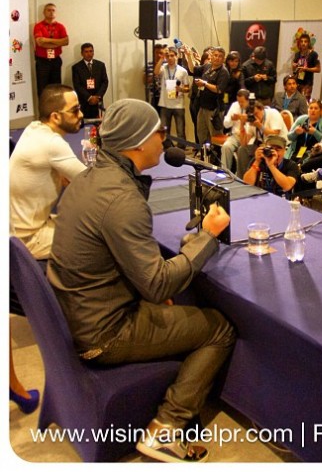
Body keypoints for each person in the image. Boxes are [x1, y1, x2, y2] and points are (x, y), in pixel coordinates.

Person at [47, 98, 235, 463]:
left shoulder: (89, 179)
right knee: (219, 328)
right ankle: (167, 428)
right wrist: (208, 237)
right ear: (137, 141)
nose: (165, 140)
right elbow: (159, 285)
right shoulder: (121, 198)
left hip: (82, 311)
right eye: (159, 132)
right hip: (105, 334)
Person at [9, 84, 86, 260]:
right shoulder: (51, 143)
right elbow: (91, 181)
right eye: (74, 110)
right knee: (96, 239)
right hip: (26, 239)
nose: (81, 115)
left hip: (18, 227)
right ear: (56, 117)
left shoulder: (34, 128)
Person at [236, 101, 288, 179]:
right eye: (252, 115)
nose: (255, 117)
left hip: (278, 145)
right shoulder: (252, 120)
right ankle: (242, 179)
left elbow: (275, 134)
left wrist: (260, 126)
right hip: (263, 146)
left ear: (262, 109)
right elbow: (244, 143)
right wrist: (242, 125)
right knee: (242, 150)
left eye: (256, 114)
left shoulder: (273, 113)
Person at [154, 46, 190, 148]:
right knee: (165, 131)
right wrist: (161, 59)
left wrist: (181, 89)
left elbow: (188, 89)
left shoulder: (182, 71)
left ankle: (181, 152)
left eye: (172, 56)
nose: (170, 58)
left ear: (176, 56)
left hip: (178, 105)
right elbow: (156, 72)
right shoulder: (163, 68)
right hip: (165, 104)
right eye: (168, 56)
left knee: (180, 131)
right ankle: (167, 150)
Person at [195, 47, 230, 146]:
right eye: (215, 55)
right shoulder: (207, 66)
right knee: (201, 133)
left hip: (214, 110)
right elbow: (193, 69)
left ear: (223, 59)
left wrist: (205, 84)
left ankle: (215, 159)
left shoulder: (224, 72)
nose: (217, 58)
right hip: (202, 106)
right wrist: (188, 55)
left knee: (215, 137)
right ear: (211, 56)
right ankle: (204, 156)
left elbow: (219, 89)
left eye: (220, 56)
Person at [33, 3, 69, 96]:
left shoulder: (60, 26)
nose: (51, 12)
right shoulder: (38, 26)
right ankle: (44, 110)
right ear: (44, 12)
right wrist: (57, 42)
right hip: (42, 62)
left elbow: (66, 41)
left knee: (57, 89)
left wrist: (46, 40)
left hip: (56, 61)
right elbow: (39, 42)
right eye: (48, 10)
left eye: (53, 10)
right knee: (42, 89)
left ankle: (56, 110)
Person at [71, 42, 109, 119]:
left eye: (91, 51)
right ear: (82, 53)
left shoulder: (100, 65)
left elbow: (105, 82)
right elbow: (77, 85)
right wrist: (89, 97)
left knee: (98, 123)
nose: (89, 54)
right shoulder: (76, 67)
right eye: (86, 52)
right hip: (84, 102)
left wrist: (97, 96)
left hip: (98, 101)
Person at [221, 88, 250, 172]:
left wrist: (243, 119)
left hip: (248, 138)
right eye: (239, 101)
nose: (240, 104)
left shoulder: (253, 108)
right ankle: (225, 173)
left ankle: (239, 175)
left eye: (242, 102)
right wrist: (231, 119)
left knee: (242, 151)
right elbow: (226, 125)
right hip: (235, 136)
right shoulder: (234, 105)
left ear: (248, 100)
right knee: (226, 147)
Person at [291, 33, 321, 101]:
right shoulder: (297, 54)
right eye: (301, 41)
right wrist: (294, 65)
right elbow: (294, 68)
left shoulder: (313, 54)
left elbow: (318, 69)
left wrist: (306, 69)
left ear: (308, 43)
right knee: (296, 101)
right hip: (298, 82)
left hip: (308, 82)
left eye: (305, 41)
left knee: (304, 101)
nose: (303, 43)